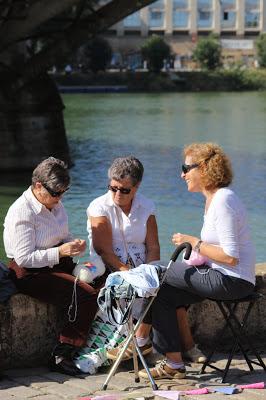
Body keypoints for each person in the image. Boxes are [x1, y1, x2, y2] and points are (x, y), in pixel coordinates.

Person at [138, 142, 256, 380]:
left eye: (186, 168)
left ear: (203, 168)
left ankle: (138, 340)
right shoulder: (213, 200)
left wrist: (195, 242)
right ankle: (173, 363)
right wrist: (196, 250)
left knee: (152, 270)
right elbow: (220, 252)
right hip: (219, 275)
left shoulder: (224, 200)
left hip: (232, 281)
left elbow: (231, 257)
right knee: (163, 294)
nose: (182, 174)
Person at [87, 155, 205, 363]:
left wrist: (151, 271)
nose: (117, 194)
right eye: (113, 188)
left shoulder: (147, 206)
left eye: (124, 190)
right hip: (112, 267)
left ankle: (167, 346)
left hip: (142, 265)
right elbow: (103, 250)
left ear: (137, 186)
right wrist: (129, 273)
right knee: (154, 291)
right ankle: (159, 344)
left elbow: (153, 246)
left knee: (165, 288)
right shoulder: (99, 207)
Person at [3, 157, 105, 376]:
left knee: (101, 283)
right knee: (84, 295)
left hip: (56, 262)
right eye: (56, 193)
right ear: (38, 186)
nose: (59, 199)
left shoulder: (55, 204)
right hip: (29, 273)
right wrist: (60, 251)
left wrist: (74, 244)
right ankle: (62, 354)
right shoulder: (22, 211)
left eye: (63, 192)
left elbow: (62, 234)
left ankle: (96, 345)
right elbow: (23, 258)